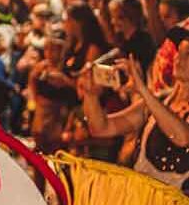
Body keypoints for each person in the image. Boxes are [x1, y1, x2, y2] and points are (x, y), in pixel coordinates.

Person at [80, 43, 189, 194]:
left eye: (187, 54)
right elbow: (101, 128)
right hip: (140, 200)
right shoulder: (158, 101)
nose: (178, 58)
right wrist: (90, 94)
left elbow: (181, 137)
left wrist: (142, 89)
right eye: (179, 52)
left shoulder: (153, 102)